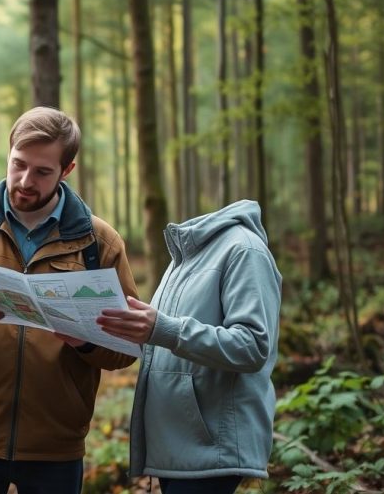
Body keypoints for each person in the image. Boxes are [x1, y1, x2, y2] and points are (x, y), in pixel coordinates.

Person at [0, 106, 140, 494]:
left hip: (57, 445)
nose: (24, 181)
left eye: (42, 172)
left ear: (67, 170)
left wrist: (84, 339)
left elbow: (126, 348)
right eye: (18, 164)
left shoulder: (100, 244)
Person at [96, 200, 282, 494]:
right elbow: (166, 345)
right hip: (178, 443)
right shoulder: (184, 259)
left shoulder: (244, 250)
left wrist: (163, 329)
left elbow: (253, 345)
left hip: (211, 446)